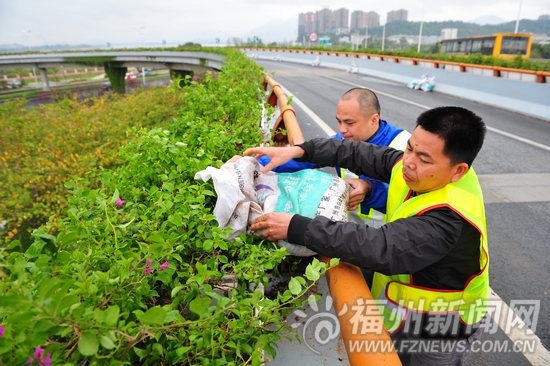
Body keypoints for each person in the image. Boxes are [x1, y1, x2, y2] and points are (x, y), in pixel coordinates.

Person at [245, 106, 489, 365]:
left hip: (442, 328)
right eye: (409, 148)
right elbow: (357, 152)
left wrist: (297, 227)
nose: (408, 162)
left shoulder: (448, 218)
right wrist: (300, 150)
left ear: (458, 171)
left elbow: (380, 247)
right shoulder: (417, 170)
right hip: (403, 310)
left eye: (424, 159)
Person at [257, 88, 410, 226]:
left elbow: (409, 198)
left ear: (374, 120)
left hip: (388, 237)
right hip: (349, 232)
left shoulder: (404, 147)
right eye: (339, 121)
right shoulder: (341, 140)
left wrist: (370, 190)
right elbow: (304, 158)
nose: (342, 129)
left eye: (349, 123)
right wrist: (256, 163)